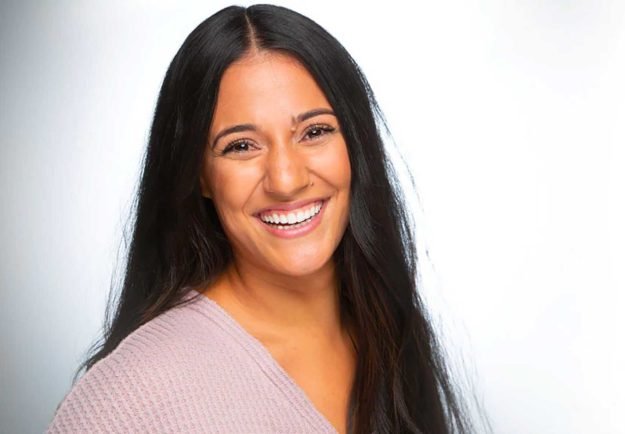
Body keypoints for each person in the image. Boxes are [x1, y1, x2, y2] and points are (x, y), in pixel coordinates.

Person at [47, 4, 476, 433]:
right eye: (241, 146)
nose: (286, 180)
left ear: (356, 144)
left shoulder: (389, 333)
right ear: (199, 175)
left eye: (314, 132)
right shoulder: (133, 393)